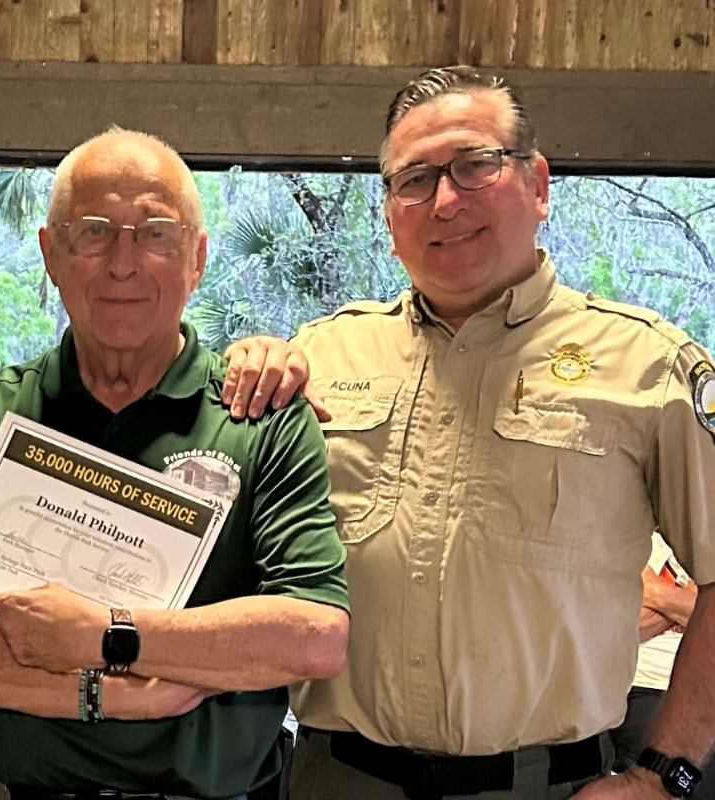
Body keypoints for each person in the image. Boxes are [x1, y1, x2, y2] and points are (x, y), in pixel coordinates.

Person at [224, 66, 715, 800]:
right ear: (390, 215)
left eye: (475, 165)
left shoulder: (648, 367)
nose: (445, 200)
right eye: (414, 179)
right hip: (335, 779)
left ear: (539, 183)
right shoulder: (321, 358)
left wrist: (663, 775)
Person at [0, 128, 351, 800]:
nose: (124, 262)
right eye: (95, 231)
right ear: (51, 253)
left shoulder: (265, 420)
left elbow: (312, 636)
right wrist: (112, 692)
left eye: (156, 232)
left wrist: (110, 637)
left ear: (197, 258)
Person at [610, 534, 713, 800]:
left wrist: (654, 592)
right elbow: (617, 626)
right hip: (641, 687)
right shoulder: (631, 532)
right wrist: (697, 604)